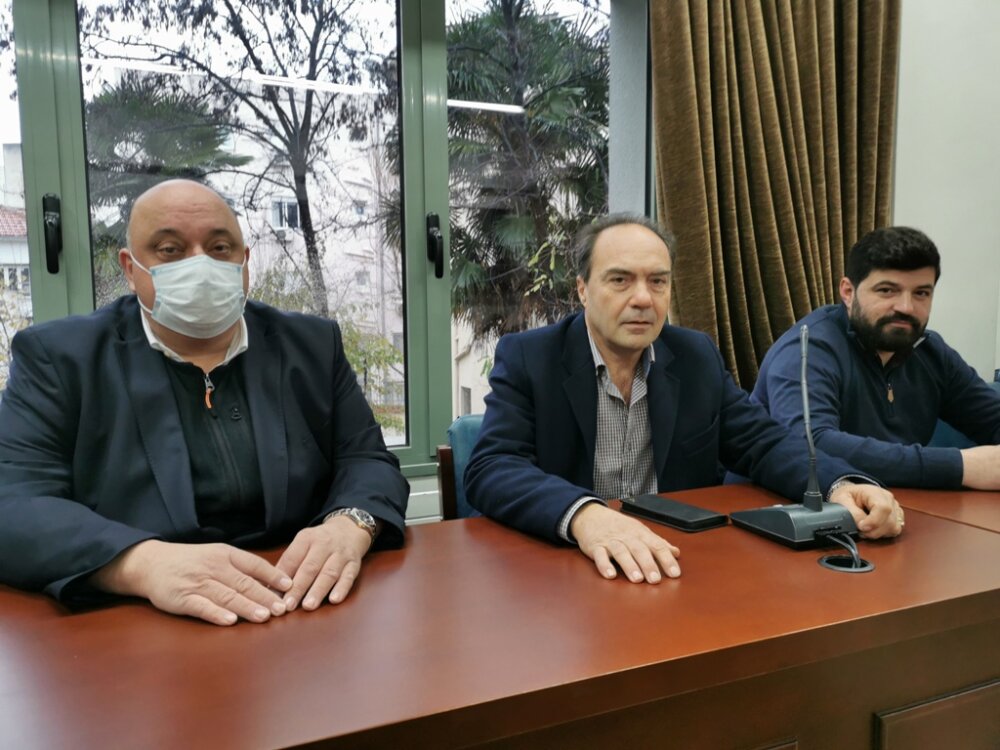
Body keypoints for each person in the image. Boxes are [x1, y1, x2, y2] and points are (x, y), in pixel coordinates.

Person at [0, 179, 409, 626]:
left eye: (219, 248)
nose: (200, 264)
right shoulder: (61, 358)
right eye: (170, 250)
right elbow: (14, 505)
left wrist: (350, 523)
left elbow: (367, 458)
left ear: (244, 261)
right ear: (131, 268)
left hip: (299, 604)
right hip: (138, 620)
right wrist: (141, 563)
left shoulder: (311, 344)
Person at [465, 214, 902, 585]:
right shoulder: (530, 357)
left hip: (676, 564)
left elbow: (763, 442)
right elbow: (493, 467)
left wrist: (840, 484)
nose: (642, 299)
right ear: (582, 289)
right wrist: (585, 515)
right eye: (620, 280)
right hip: (568, 568)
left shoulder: (695, 356)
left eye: (657, 281)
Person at [752, 226, 1000, 489]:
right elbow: (810, 446)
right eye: (887, 290)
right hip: (778, 504)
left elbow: (992, 419)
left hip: (893, 503)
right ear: (848, 292)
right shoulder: (807, 348)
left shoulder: (930, 351)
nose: (906, 307)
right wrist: (958, 466)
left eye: (921, 293)